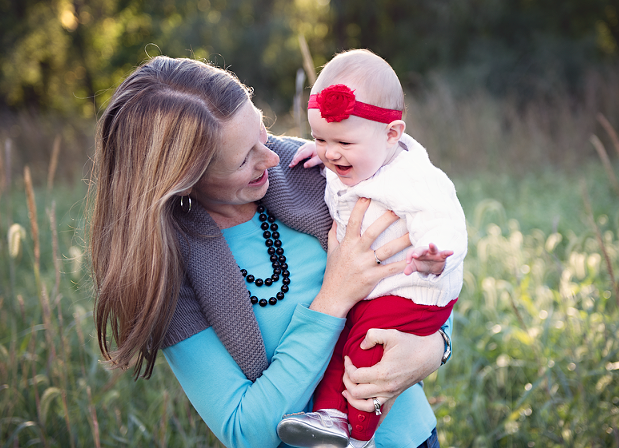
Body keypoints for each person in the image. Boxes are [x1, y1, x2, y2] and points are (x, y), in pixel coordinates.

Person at [88, 55, 451, 448]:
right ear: (184, 180)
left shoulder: (319, 169)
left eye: (262, 132)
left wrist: (434, 349)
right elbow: (245, 432)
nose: (272, 157)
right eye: (244, 159)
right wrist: (334, 298)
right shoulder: (168, 272)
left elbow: (430, 279)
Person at [277, 50, 467, 448]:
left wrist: (434, 257)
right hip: (372, 290)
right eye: (320, 138)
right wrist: (319, 150)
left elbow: (443, 221)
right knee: (337, 345)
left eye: (343, 142)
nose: (331, 152)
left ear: (392, 134)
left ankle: (359, 437)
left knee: (367, 353)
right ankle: (330, 417)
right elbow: (334, 150)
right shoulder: (354, 158)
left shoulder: (414, 179)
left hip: (412, 292)